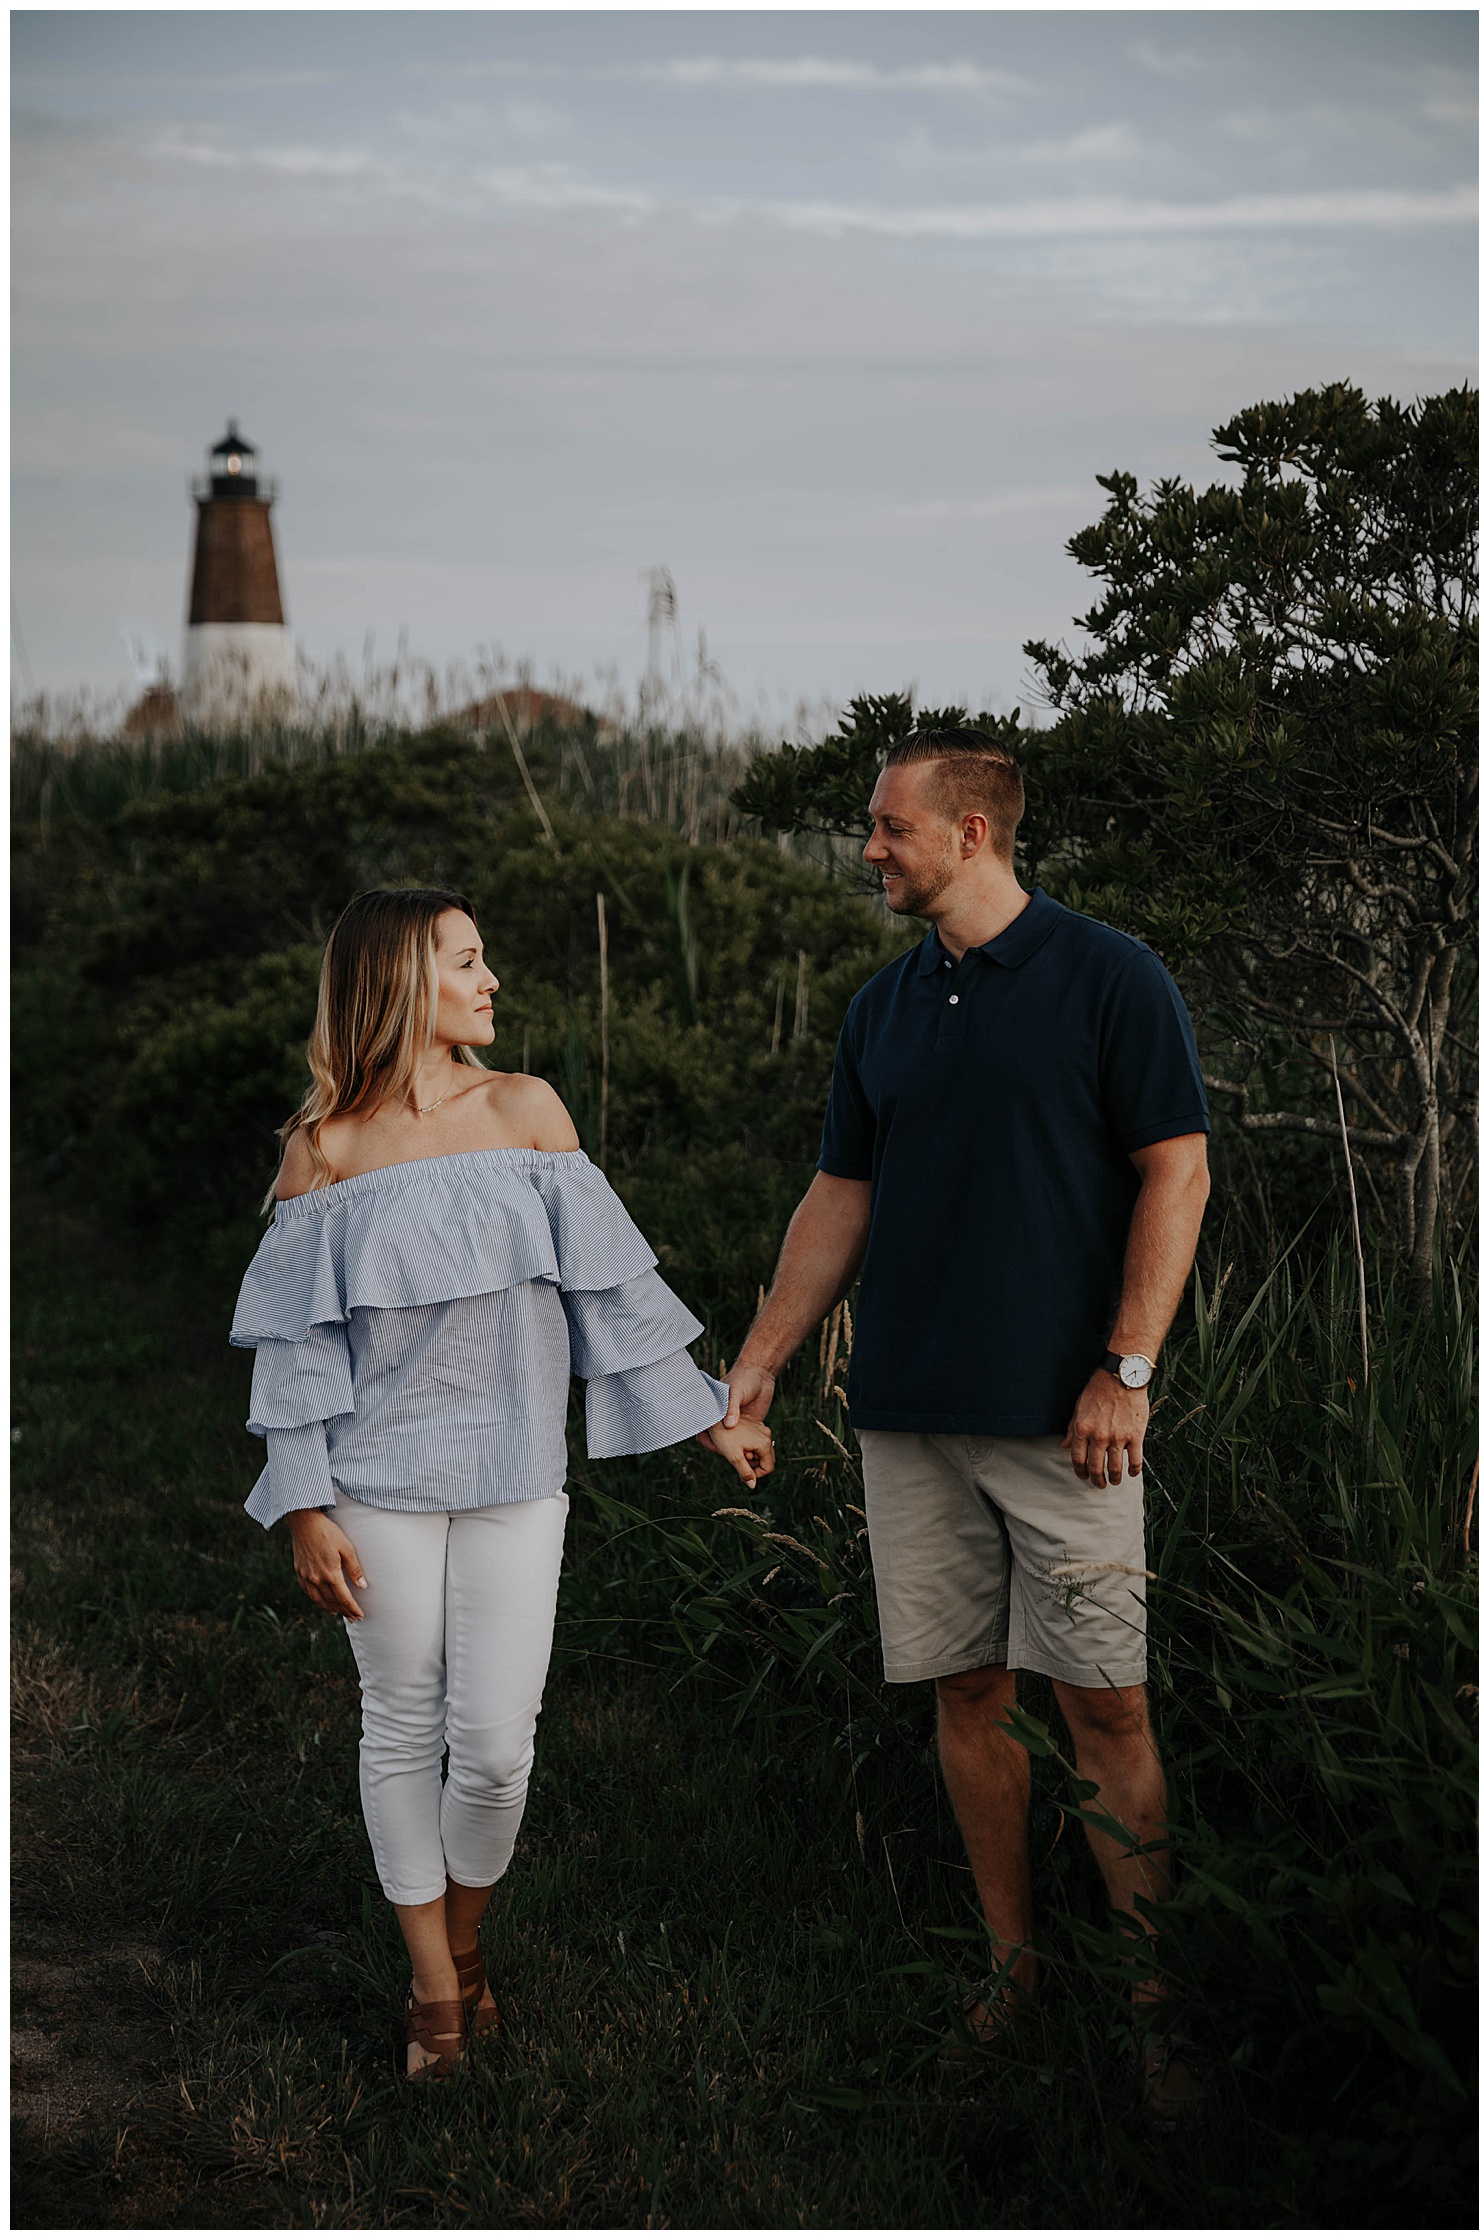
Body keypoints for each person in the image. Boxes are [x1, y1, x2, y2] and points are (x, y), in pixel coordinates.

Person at [710, 728, 1211, 2123]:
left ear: (973, 833)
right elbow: (839, 1200)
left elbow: (1177, 1173)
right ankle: (1011, 1975)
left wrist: (1130, 1367)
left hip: (1070, 1420)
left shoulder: (1112, 977)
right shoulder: (881, 1008)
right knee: (966, 1695)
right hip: (911, 1412)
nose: (868, 848)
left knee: (1106, 1704)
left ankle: (1163, 2014)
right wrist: (760, 1360)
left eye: (888, 827)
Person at [230, 886, 773, 2078]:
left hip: (518, 1471)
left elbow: (612, 1294)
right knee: (402, 1718)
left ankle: (469, 1944)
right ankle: (434, 1988)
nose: (491, 981)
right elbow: (297, 1346)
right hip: (376, 1476)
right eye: (466, 961)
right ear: (398, 985)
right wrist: (305, 1502)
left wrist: (702, 1417)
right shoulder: (324, 1147)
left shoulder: (527, 1110)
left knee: (493, 1746)